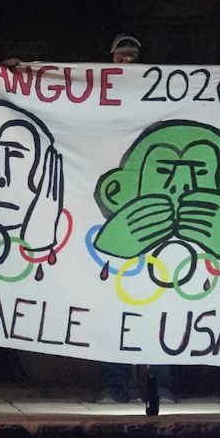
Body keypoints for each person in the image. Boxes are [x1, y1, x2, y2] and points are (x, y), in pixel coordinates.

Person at [97, 32, 177, 404]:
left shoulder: (161, 98)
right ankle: (113, 384)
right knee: (113, 305)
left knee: (159, 299)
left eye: (133, 55)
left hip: (157, 213)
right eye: (121, 55)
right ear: (109, 59)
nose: (126, 62)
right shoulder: (95, 96)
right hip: (107, 215)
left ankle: (160, 382)